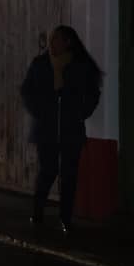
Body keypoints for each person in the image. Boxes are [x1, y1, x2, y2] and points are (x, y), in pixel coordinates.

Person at [21, 25, 102, 233]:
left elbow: (93, 92)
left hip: (70, 129)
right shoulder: (40, 64)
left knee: (69, 174)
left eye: (57, 39)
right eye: (51, 39)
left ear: (67, 42)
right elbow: (26, 90)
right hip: (46, 128)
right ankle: (37, 212)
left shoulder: (80, 65)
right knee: (47, 171)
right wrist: (38, 110)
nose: (52, 43)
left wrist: (81, 112)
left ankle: (65, 218)